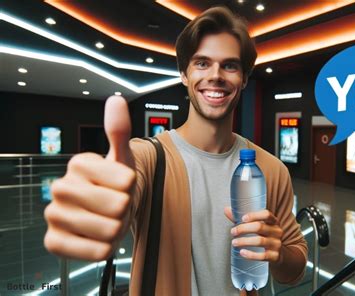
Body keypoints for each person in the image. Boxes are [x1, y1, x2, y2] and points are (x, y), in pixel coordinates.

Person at [43, 6, 307, 296]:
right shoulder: (148, 156)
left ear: (244, 78)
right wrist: (96, 202)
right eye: (202, 63)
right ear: (184, 74)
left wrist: (278, 252)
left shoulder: (270, 168)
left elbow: (293, 270)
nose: (216, 76)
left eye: (230, 65)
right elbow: (128, 184)